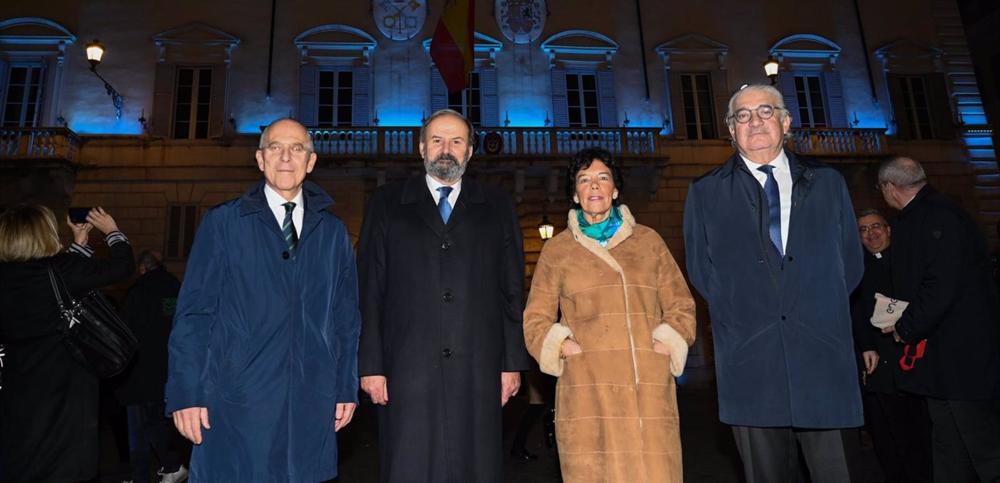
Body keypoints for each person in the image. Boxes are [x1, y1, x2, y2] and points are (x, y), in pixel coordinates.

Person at [682, 84, 865, 482]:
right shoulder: (705, 192)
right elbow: (702, 271)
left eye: (766, 111)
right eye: (742, 116)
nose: (755, 122)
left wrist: (811, 309)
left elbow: (849, 264)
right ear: (731, 131)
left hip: (822, 361)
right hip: (750, 365)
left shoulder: (828, 184)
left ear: (786, 122)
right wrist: (749, 314)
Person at [165, 118, 361, 482]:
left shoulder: (333, 233)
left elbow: (345, 320)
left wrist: (345, 386)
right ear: (260, 159)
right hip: (236, 401)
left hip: (310, 402)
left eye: (297, 148)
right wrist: (186, 391)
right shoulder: (223, 223)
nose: (286, 157)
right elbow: (194, 314)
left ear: (311, 161)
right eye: (275, 147)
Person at [357, 108, 530, 482]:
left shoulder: (498, 205)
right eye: (436, 140)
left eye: (456, 141)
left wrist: (511, 361)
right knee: (410, 465)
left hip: (478, 367)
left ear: (470, 151)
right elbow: (370, 286)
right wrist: (371, 365)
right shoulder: (386, 203)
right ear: (421, 148)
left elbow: (512, 288)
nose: (446, 149)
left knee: (476, 466)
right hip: (406, 368)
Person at [523, 147, 696, 482]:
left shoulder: (648, 242)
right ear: (575, 194)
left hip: (645, 389)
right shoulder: (557, 250)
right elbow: (535, 320)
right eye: (584, 180)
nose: (594, 186)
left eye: (603, 178)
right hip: (588, 391)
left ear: (615, 189)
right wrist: (564, 347)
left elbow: (682, 305)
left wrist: (663, 345)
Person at [876, 156, 1000, 482]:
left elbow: (940, 284)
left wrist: (906, 327)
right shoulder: (933, 213)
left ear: (889, 188)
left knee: (982, 447)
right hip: (944, 358)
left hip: (962, 356)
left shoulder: (936, 217)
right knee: (949, 443)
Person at [0, 205, 135, 482]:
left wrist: (80, 245)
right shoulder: (62, 269)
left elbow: (54, 284)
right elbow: (122, 267)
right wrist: (112, 232)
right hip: (66, 394)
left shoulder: (7, 277)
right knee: (64, 467)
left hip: (18, 391)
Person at [851, 208, 932, 482]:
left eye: (875, 227)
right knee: (886, 438)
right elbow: (856, 315)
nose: (871, 234)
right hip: (877, 367)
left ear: (888, 230)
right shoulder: (855, 271)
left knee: (920, 436)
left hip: (914, 364)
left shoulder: (910, 264)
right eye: (863, 230)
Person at [116, 249, 188, 483]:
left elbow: (125, 331)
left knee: (140, 426)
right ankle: (164, 467)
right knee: (158, 421)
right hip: (167, 367)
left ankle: (156, 470)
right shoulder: (174, 288)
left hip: (139, 370)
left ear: (142, 268)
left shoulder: (138, 291)